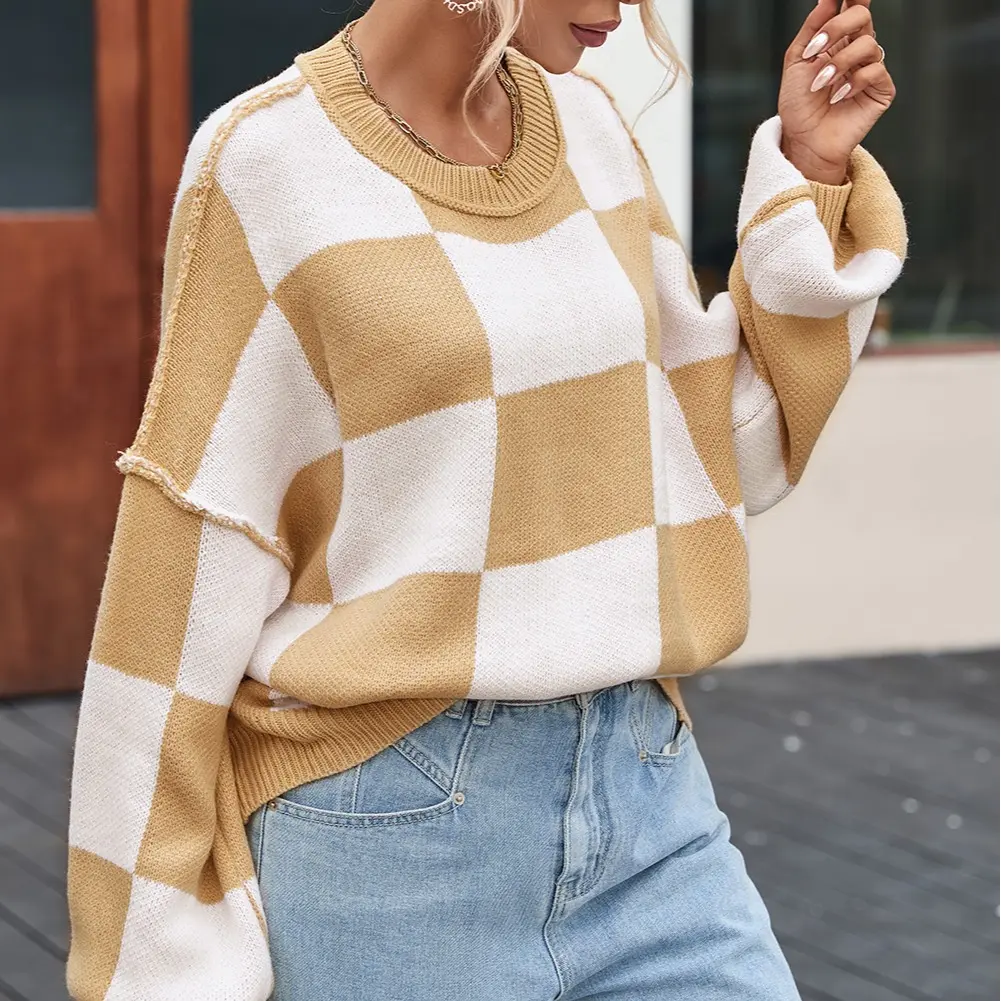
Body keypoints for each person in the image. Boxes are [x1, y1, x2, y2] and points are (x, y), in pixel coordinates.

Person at [65, 0, 906, 998]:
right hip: (389, 837)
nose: (620, 11)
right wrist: (153, 959)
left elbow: (713, 452)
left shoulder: (590, 129)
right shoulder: (264, 164)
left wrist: (809, 168)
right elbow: (187, 555)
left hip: (645, 799)